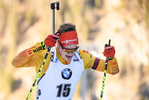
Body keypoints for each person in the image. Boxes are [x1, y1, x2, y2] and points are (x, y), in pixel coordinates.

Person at [12, 23, 119, 100]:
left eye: (74, 49)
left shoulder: (81, 56)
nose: (71, 54)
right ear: (58, 44)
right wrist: (41, 46)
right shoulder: (47, 55)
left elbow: (111, 69)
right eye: (67, 50)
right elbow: (16, 62)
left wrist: (111, 58)